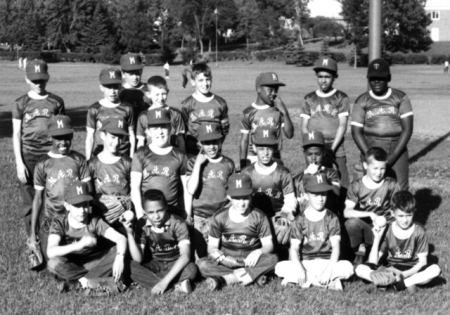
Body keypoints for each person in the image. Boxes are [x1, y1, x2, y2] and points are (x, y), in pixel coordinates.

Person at [12, 59, 65, 244]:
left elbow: (61, 131)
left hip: (50, 156)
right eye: (34, 80)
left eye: (41, 80)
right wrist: (19, 163)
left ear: (47, 78)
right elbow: (17, 133)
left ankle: (51, 235)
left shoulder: (56, 102)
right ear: (27, 79)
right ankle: (32, 238)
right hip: (28, 156)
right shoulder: (21, 103)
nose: (38, 83)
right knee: (29, 200)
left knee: (52, 196)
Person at [197, 173, 278, 291]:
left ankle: (227, 279)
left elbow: (268, 245)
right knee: (202, 264)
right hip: (227, 260)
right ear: (229, 196)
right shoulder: (220, 217)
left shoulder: (259, 216)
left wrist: (258, 252)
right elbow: (212, 246)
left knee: (273, 259)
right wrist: (218, 255)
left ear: (251, 196)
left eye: (245, 197)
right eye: (237, 198)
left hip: (250, 261)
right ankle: (253, 276)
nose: (241, 203)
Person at [46, 181, 128, 296]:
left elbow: (121, 238)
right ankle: (98, 279)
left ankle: (78, 283)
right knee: (52, 263)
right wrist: (79, 244)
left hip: (92, 262)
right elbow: (50, 251)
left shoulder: (94, 221)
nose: (82, 211)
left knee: (117, 250)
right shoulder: (60, 222)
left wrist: (119, 258)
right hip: (70, 264)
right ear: (67, 205)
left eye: (85, 205)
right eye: (77, 206)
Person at [29, 116, 91, 268]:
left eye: (66, 137)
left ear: (72, 135)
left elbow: (89, 194)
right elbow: (37, 199)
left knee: (81, 256)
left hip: (76, 219)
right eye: (58, 138)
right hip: (52, 220)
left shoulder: (79, 159)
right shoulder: (43, 163)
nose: (63, 142)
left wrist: (88, 224)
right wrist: (32, 233)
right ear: (50, 137)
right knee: (51, 261)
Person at [275, 174, 354, 291]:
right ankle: (324, 283)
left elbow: (336, 248)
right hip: (306, 262)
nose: (320, 198)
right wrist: (299, 267)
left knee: (348, 267)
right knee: (279, 267)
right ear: (306, 195)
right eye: (315, 194)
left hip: (327, 262)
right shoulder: (299, 219)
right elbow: (294, 248)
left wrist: (328, 270)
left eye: (323, 194)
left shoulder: (332, 217)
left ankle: (306, 281)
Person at [355, 191, 441, 293]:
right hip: (390, 270)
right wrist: (377, 239)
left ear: (414, 212)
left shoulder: (419, 231)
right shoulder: (388, 229)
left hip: (412, 269)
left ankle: (398, 284)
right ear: (392, 213)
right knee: (359, 269)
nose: (405, 220)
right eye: (400, 216)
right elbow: (373, 262)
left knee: (435, 269)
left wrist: (405, 274)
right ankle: (399, 282)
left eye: (408, 215)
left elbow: (422, 262)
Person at [351, 58, 413, 190]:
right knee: (371, 188)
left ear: (389, 78)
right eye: (373, 78)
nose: (377, 81)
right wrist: (370, 156)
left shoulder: (400, 97)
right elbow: (356, 132)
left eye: (381, 78)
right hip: (370, 146)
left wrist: (393, 156)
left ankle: (399, 210)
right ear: (368, 79)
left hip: (397, 147)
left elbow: (407, 129)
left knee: (400, 188)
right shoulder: (362, 100)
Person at [123, 189, 198, 294]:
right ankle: (175, 286)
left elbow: (185, 256)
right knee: (127, 264)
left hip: (175, 263)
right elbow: (138, 259)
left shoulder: (178, 223)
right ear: (144, 211)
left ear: (166, 207)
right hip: (155, 264)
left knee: (192, 269)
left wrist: (164, 282)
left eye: (160, 210)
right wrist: (130, 234)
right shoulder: (141, 224)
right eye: (151, 212)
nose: (156, 216)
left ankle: (149, 282)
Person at [241, 126, 297, 248]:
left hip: (276, 215)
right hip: (253, 216)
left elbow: (290, 200)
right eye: (261, 149)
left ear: (275, 148)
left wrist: (285, 214)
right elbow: (240, 200)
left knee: (283, 229)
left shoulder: (283, 172)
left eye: (269, 148)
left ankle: (282, 258)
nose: (265, 153)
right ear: (254, 148)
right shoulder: (247, 173)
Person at [185, 122, 235, 258]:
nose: (211, 147)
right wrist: (198, 165)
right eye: (207, 143)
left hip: (221, 215)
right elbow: (190, 189)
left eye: (215, 142)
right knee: (199, 255)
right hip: (200, 216)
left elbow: (231, 194)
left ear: (220, 141)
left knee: (222, 253)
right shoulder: (193, 163)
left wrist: (220, 217)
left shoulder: (228, 163)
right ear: (200, 144)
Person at [300, 56, 350, 191]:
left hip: (336, 145)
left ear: (334, 77)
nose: (323, 80)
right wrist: (312, 143)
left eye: (327, 77)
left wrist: (332, 149)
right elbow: (304, 126)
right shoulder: (309, 98)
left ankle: (341, 207)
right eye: (320, 76)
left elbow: (342, 125)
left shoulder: (341, 97)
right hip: (315, 146)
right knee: (314, 177)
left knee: (342, 180)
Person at [344, 147, 400, 265]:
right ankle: (359, 250)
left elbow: (399, 210)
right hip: (367, 229)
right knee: (351, 223)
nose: (379, 173)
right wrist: (370, 214)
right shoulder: (356, 186)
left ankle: (381, 254)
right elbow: (347, 212)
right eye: (375, 168)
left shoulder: (391, 185)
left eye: (382, 168)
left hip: (386, 230)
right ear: (365, 165)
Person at [131, 109, 188, 219]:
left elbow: (186, 189)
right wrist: (139, 214)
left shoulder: (180, 155)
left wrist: (186, 213)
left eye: (163, 127)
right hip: (148, 213)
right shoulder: (141, 154)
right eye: (155, 128)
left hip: (172, 211)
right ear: (148, 131)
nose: (160, 132)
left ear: (170, 129)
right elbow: (135, 187)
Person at [239, 72, 294, 170]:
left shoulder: (278, 110)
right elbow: (244, 140)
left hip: (274, 158)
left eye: (276, 90)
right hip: (254, 159)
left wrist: (285, 112)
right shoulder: (248, 112)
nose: (274, 93)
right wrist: (243, 164)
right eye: (270, 90)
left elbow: (289, 134)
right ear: (259, 89)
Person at [88, 118, 132, 228]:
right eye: (113, 137)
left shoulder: (128, 162)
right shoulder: (92, 164)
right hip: (101, 220)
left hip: (125, 220)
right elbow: (88, 195)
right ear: (103, 135)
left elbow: (134, 191)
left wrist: (127, 203)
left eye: (120, 138)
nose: (117, 142)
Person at [86, 67, 135, 160]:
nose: (112, 91)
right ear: (101, 87)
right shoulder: (94, 109)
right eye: (108, 87)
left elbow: (131, 134)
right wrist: (88, 159)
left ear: (120, 86)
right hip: (100, 156)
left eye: (116, 87)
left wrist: (131, 157)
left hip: (123, 156)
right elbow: (90, 137)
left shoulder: (127, 108)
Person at [181, 63, 230, 156]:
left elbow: (225, 130)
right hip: (192, 153)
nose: (205, 83)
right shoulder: (187, 104)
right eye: (201, 80)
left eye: (208, 79)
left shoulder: (220, 103)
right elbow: (182, 131)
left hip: (214, 153)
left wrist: (214, 146)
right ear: (193, 82)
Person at [294, 131, 341, 214]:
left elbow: (336, 194)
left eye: (317, 154)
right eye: (309, 154)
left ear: (323, 153)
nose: (313, 158)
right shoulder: (297, 179)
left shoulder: (331, 173)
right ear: (304, 154)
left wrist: (316, 175)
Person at [136, 76, 186, 153]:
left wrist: (183, 157)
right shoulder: (143, 116)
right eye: (157, 94)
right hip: (150, 158)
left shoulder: (175, 114)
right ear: (148, 94)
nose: (160, 98)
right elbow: (141, 141)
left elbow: (180, 139)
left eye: (163, 94)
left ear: (168, 92)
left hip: (172, 157)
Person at [119, 53, 149, 125]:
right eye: (131, 74)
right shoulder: (119, 92)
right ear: (123, 73)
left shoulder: (150, 89)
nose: (135, 77)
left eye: (137, 73)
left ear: (141, 71)